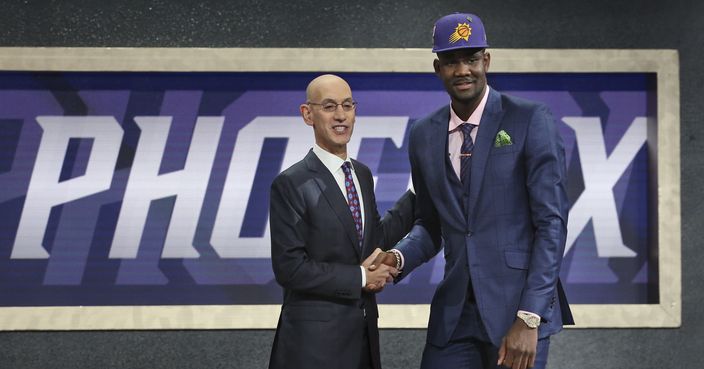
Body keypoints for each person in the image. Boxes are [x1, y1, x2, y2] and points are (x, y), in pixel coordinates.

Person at [372, 12, 574, 369]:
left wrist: (530, 317)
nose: (462, 70)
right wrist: (398, 258)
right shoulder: (422, 133)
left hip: (516, 313)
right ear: (438, 68)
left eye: (471, 59)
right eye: (451, 62)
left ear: (487, 61)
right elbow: (430, 223)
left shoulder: (529, 119)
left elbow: (551, 225)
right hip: (454, 317)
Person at [268, 74, 416, 369]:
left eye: (347, 106)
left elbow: (374, 239)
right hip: (313, 349)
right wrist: (360, 278)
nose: (340, 116)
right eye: (329, 106)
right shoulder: (290, 184)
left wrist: (417, 192)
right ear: (307, 114)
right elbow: (290, 268)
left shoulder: (360, 174)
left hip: (363, 340)